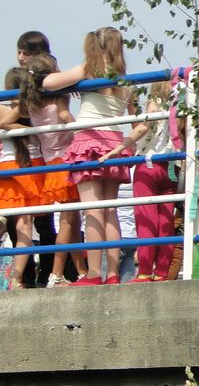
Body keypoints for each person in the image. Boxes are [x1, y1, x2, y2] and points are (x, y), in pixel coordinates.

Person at [44, 27, 136, 286]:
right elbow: (134, 118)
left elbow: (48, 83)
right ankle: (113, 273)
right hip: (115, 142)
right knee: (111, 210)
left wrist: (73, 83)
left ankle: (94, 272)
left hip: (89, 140)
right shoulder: (125, 80)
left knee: (92, 210)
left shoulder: (89, 69)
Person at [18, 53, 86, 285]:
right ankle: (55, 274)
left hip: (51, 163)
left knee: (72, 220)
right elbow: (65, 116)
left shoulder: (30, 101)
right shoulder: (59, 97)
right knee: (68, 220)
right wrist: (85, 130)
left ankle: (81, 270)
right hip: (66, 160)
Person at [99, 81, 176, 282]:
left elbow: (142, 128)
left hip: (148, 165)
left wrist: (118, 149)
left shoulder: (155, 103)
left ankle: (145, 271)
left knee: (146, 220)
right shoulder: (179, 106)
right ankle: (162, 272)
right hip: (170, 166)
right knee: (166, 222)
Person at [0, 68, 49, 288]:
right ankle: (17, 277)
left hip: (10, 167)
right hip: (32, 167)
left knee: (19, 225)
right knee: (25, 226)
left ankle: (17, 276)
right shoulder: (37, 108)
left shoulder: (3, 110)